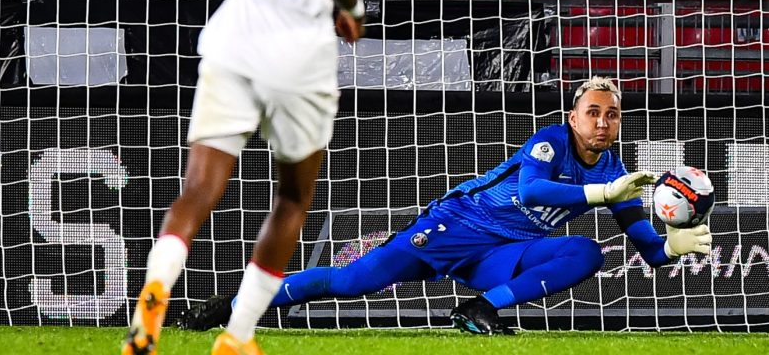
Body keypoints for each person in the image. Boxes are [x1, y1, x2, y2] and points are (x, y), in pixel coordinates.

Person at [121, 0, 372, 355]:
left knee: (198, 189)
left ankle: (152, 300)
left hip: (233, 40)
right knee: (291, 199)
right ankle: (236, 337)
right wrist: (351, 7)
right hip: (297, 56)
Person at [174, 77, 713, 336]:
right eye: (593, 112)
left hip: (502, 254)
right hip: (457, 225)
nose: (602, 122)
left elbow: (649, 250)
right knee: (352, 282)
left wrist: (672, 244)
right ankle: (239, 302)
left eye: (612, 115)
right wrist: (602, 195)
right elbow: (531, 193)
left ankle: (480, 308)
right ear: (573, 118)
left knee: (585, 252)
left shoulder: (618, 174)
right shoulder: (550, 141)